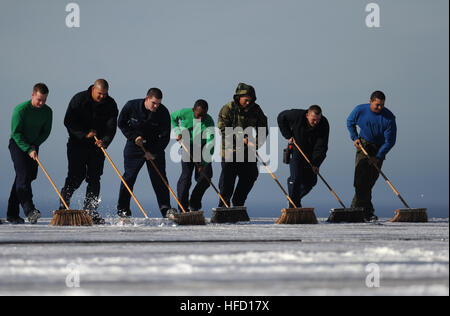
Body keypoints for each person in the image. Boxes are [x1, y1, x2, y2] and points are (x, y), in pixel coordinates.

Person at [60, 79, 118, 225]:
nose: (102, 97)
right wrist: (83, 134)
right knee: (76, 176)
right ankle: (63, 206)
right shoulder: (79, 99)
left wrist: (104, 141)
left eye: (104, 94)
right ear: (93, 89)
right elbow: (68, 121)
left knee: (94, 178)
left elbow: (111, 127)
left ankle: (91, 211)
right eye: (99, 94)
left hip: (97, 147)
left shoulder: (111, 104)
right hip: (77, 144)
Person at [117, 88, 177, 218]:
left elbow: (165, 137)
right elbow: (121, 123)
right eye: (154, 103)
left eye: (158, 104)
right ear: (147, 99)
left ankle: (165, 209)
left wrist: (153, 152)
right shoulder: (131, 106)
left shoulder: (163, 112)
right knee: (129, 177)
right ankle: (123, 210)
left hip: (155, 146)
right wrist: (133, 137)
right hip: (135, 146)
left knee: (160, 178)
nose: (156, 106)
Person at [347, 90, 397, 220]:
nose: (380, 108)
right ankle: (366, 212)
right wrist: (354, 137)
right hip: (363, 144)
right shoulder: (360, 110)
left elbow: (390, 141)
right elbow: (350, 122)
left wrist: (379, 156)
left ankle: (356, 210)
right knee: (359, 180)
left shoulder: (389, 118)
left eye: (382, 105)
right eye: (377, 105)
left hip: (379, 148)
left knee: (369, 181)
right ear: (370, 102)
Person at [7, 83, 53, 224]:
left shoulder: (47, 111)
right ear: (33, 95)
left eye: (44, 100)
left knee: (27, 178)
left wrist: (35, 144)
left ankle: (12, 214)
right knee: (23, 176)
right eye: (39, 99)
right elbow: (16, 133)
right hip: (18, 145)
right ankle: (30, 211)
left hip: (34, 145)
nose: (41, 103)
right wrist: (28, 148)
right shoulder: (20, 110)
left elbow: (46, 132)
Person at [217, 83, 268, 208]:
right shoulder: (228, 109)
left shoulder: (256, 109)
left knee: (250, 176)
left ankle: (238, 203)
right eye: (246, 100)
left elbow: (263, 129)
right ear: (239, 97)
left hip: (248, 152)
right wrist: (241, 139)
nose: (248, 103)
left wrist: (255, 144)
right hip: (230, 152)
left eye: (250, 100)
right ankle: (223, 206)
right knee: (227, 181)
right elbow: (223, 130)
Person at [278, 105, 330, 208]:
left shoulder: (323, 123)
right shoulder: (297, 115)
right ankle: (294, 206)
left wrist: (316, 163)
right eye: (313, 120)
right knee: (296, 177)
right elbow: (281, 117)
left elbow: (322, 146)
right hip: (296, 147)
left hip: (311, 153)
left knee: (311, 181)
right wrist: (288, 135)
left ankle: (293, 199)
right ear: (307, 115)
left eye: (318, 120)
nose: (316, 123)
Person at [171, 99, 215, 212]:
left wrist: (203, 163)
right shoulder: (184, 113)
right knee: (186, 177)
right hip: (188, 146)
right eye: (198, 115)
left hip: (202, 147)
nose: (201, 119)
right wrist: (177, 131)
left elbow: (210, 143)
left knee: (206, 176)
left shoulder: (209, 121)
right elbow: (173, 117)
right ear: (193, 110)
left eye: (203, 116)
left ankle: (194, 203)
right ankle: (183, 207)